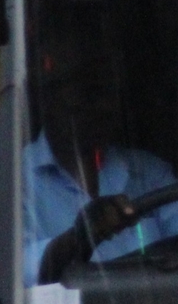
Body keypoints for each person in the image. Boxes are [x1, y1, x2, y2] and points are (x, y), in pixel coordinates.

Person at [19, 40, 178, 284]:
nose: (105, 106)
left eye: (109, 92)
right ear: (47, 97)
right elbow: (14, 273)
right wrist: (79, 238)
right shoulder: (4, 183)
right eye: (89, 91)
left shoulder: (149, 172)